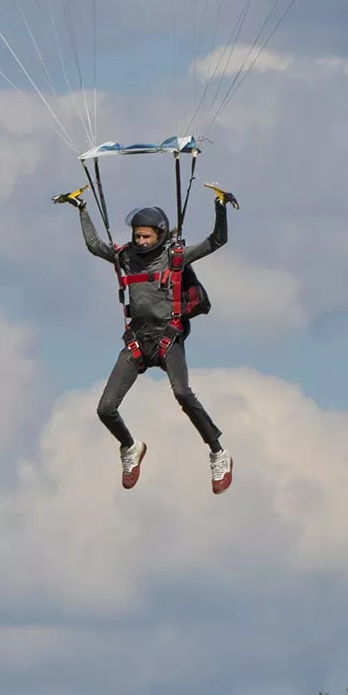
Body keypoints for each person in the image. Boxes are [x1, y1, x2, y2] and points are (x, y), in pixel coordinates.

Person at [55, 184, 237, 494]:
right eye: (137, 236)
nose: (140, 241)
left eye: (146, 236)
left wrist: (220, 207)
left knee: (182, 394)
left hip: (168, 338)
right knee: (105, 408)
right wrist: (82, 209)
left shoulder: (175, 257)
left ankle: (218, 452)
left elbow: (217, 240)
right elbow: (94, 245)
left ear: (160, 235)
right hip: (137, 341)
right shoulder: (125, 257)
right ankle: (130, 448)